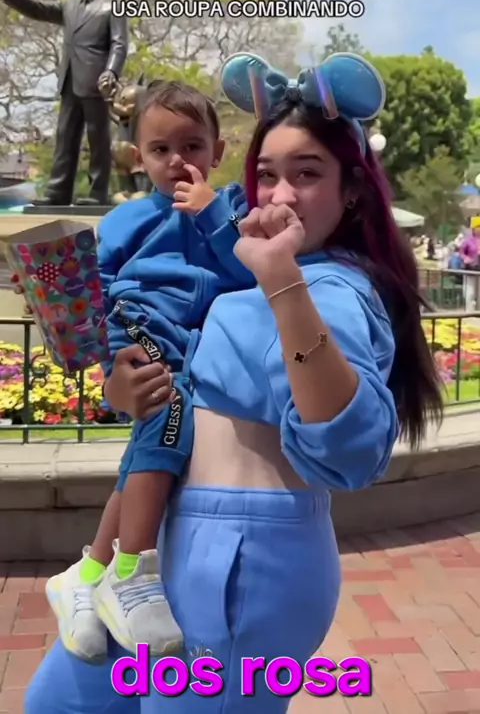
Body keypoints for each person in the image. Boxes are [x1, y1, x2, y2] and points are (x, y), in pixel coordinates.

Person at [25, 52, 443, 714]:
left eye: (307, 173)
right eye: (267, 174)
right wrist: (119, 385)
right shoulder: (244, 260)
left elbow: (352, 450)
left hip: (241, 562)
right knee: (57, 704)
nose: (279, 195)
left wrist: (281, 280)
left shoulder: (331, 287)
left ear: (353, 190)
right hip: (165, 540)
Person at [14, 79, 254, 660]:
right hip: (138, 320)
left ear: (217, 152)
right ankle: (132, 573)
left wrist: (211, 215)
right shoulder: (127, 219)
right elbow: (92, 285)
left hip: (193, 341)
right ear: (138, 157)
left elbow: (250, 272)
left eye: (192, 146)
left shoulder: (231, 210)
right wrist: (55, 302)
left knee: (158, 434)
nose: (177, 161)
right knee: (169, 410)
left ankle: (88, 573)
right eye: (160, 149)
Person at [0, 0, 128, 206]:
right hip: (69, 79)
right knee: (65, 135)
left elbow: (119, 44)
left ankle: (97, 193)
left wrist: (111, 71)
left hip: (96, 81)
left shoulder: (113, 5)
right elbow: (38, 9)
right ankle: (58, 192)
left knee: (98, 138)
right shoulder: (70, 5)